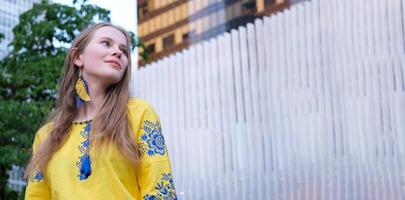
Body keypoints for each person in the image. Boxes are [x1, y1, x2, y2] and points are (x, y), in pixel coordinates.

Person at [24, 22, 177, 200]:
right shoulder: (45, 136)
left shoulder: (139, 114)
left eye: (124, 51)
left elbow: (160, 191)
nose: (118, 52)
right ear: (77, 57)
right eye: (106, 43)